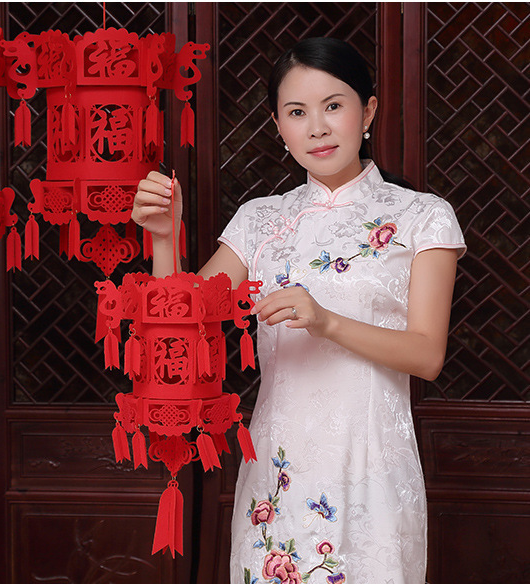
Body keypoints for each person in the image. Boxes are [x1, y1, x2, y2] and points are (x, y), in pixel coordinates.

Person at [132, 37, 466, 584]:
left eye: (333, 105)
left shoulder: (421, 217)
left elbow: (427, 355)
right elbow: (183, 326)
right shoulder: (259, 221)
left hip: (369, 466)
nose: (317, 127)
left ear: (368, 111)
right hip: (277, 467)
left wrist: (326, 321)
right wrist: (165, 239)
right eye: (296, 112)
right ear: (278, 126)